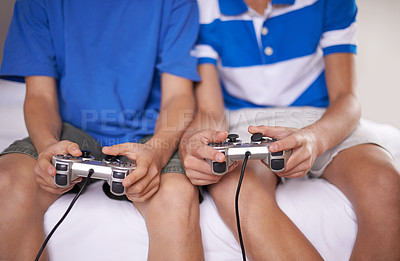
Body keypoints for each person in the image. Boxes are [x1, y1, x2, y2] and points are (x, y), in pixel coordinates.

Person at [179, 0, 400, 260]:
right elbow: (210, 111)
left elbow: (347, 98)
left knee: (385, 185)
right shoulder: (204, 7)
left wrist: (315, 138)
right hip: (243, 123)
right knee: (236, 191)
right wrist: (195, 141)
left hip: (322, 120)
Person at [0, 0, 204, 260]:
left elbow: (178, 96)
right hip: (69, 130)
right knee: (6, 182)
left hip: (150, 134)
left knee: (176, 196)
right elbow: (40, 95)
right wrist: (47, 147)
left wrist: (157, 151)